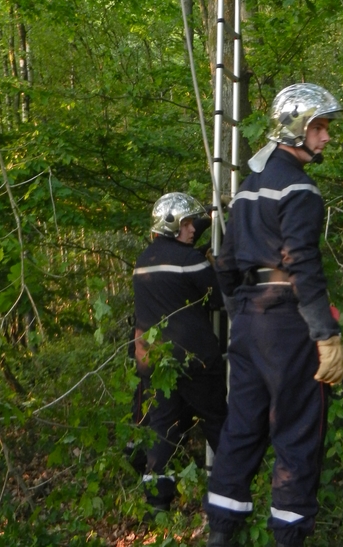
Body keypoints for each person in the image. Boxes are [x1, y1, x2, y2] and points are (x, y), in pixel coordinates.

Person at [203, 83, 343, 547]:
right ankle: (288, 537)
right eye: (319, 127)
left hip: (249, 322)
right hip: (287, 325)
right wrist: (325, 334)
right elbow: (302, 263)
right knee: (298, 433)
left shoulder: (248, 189)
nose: (326, 137)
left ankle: (221, 535)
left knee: (241, 430)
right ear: (296, 128)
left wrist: (240, 311)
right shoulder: (299, 188)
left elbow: (226, 263)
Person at [133, 192, 227, 513]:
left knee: (162, 430)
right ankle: (233, 489)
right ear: (172, 226)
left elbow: (178, 251)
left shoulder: (144, 261)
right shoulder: (190, 261)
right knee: (218, 422)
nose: (191, 229)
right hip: (196, 361)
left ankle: (157, 505)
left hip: (155, 361)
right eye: (186, 224)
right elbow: (217, 299)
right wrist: (216, 264)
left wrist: (207, 219)